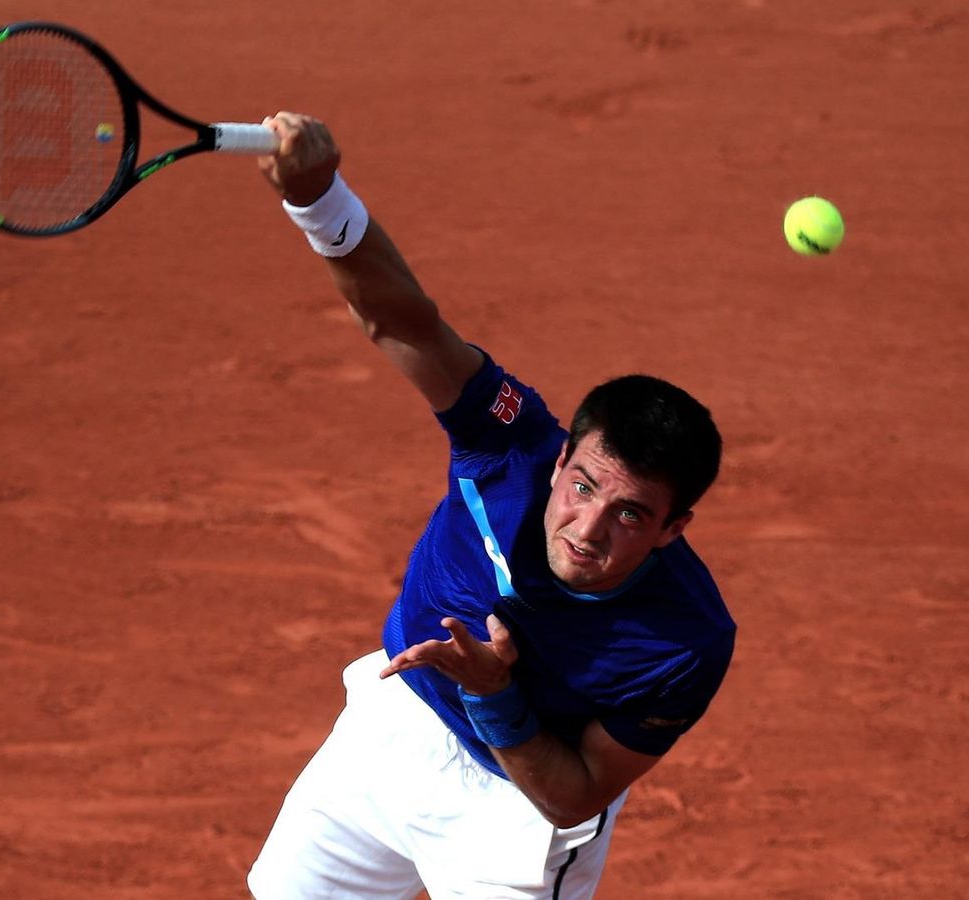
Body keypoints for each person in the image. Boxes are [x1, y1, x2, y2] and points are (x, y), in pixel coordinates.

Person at [246, 111, 736, 900]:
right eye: (584, 486)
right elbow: (405, 321)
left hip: (515, 811)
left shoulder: (684, 640)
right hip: (391, 730)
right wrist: (318, 200)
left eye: (632, 515)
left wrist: (493, 693)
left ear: (674, 529)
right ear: (560, 463)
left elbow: (575, 791)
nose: (589, 527)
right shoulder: (508, 442)